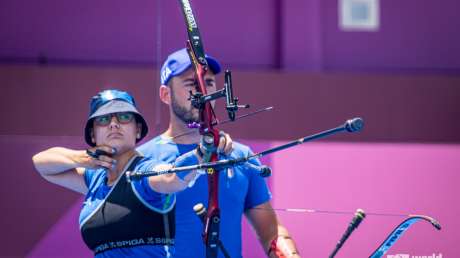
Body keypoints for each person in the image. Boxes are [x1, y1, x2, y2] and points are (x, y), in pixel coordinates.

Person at [137, 49, 300, 258]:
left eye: (209, 83)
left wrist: (290, 255)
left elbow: (272, 232)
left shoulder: (241, 156)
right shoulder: (141, 159)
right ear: (165, 94)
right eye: (191, 84)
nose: (202, 92)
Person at [32, 89, 232, 258]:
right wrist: (83, 158)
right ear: (93, 134)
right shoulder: (94, 179)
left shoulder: (143, 171)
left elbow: (171, 177)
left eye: (124, 117)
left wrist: (201, 153)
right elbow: (42, 164)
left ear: (137, 130)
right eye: (103, 119)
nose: (114, 123)